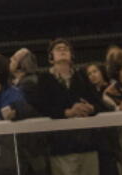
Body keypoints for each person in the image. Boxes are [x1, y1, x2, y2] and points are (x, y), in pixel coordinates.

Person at [34, 38, 104, 174]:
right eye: (58, 49)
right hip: (61, 146)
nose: (62, 50)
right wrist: (67, 112)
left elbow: (99, 104)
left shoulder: (82, 76)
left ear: (72, 55)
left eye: (65, 48)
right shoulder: (44, 79)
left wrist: (91, 108)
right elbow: (41, 108)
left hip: (87, 143)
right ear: (51, 57)